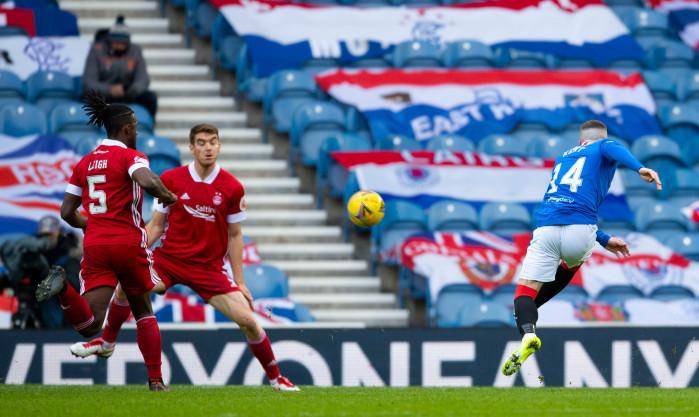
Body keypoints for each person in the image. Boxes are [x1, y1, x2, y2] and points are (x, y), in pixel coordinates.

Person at [69, 123, 299, 392]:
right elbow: (156, 225)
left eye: (212, 142)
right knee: (124, 288)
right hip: (169, 260)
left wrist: (240, 280)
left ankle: (276, 378)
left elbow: (235, 236)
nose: (208, 148)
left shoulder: (232, 187)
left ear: (219, 146)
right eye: (201, 143)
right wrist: (137, 250)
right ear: (192, 147)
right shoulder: (172, 179)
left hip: (209, 269)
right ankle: (106, 343)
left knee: (249, 321)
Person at [35, 91, 178, 391]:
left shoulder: (84, 163)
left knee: (89, 326)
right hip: (127, 243)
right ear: (125, 128)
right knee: (143, 309)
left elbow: (66, 212)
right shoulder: (131, 156)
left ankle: (64, 292)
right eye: (135, 126)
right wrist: (167, 196)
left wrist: (95, 224)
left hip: (96, 244)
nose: (137, 131)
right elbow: (145, 179)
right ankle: (155, 381)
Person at [502, 120, 662, 376]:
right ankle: (528, 314)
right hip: (581, 230)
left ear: (580, 140)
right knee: (570, 263)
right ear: (600, 137)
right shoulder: (603, 145)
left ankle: (527, 329)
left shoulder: (562, 159)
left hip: (546, 229)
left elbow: (565, 203)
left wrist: (604, 238)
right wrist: (640, 168)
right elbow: (614, 148)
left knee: (524, 293)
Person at [82, 16, 158, 118]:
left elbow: (143, 78)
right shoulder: (96, 51)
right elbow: (89, 82)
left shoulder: (135, 51)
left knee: (150, 98)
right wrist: (109, 89)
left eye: (122, 43)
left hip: (127, 94)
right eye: (115, 42)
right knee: (88, 98)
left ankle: (147, 127)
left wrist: (131, 90)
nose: (118, 45)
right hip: (104, 93)